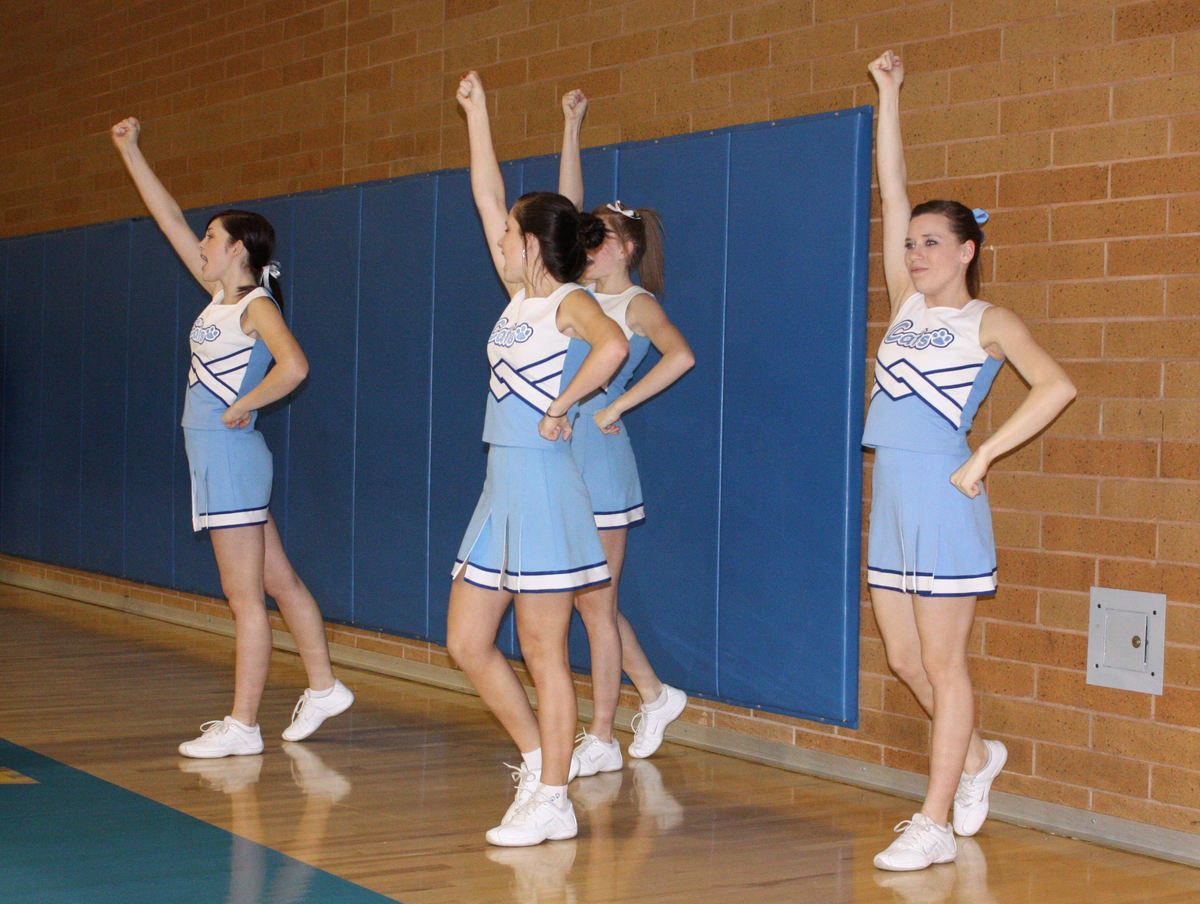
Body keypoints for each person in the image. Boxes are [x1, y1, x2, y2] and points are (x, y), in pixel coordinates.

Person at [864, 51, 1075, 871]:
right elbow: (890, 189)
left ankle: (935, 819)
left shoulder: (991, 321)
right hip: (892, 500)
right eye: (911, 242)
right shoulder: (905, 302)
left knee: (946, 664)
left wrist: (984, 453)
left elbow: (1055, 386)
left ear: (966, 251)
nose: (914, 252)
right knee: (906, 659)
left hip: (947, 500)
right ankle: (980, 757)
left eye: (929, 243)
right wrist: (889, 97)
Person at [111, 118, 354, 759]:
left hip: (231, 459)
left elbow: (295, 367)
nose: (201, 242)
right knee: (279, 582)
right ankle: (325, 685)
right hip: (221, 459)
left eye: (212, 237)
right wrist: (131, 150)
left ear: (240, 249)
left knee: (243, 597)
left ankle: (243, 724)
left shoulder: (256, 307)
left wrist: (243, 404)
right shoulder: (217, 298)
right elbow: (167, 220)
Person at [445, 72, 629, 847]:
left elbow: (613, 345)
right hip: (500, 487)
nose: (499, 235)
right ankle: (538, 762)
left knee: (543, 647)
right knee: (466, 641)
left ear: (532, 243)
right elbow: (488, 197)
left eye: (511, 231)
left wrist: (563, 405)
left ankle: (553, 796)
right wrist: (477, 113)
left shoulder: (566, 302)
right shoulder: (515, 297)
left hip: (548, 486)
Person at [557, 89, 695, 776]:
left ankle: (603, 734)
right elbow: (566, 208)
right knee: (588, 598)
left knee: (595, 603)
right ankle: (656, 692)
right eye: (587, 237)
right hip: (561, 454)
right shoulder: (574, 298)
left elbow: (682, 356)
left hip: (602, 457)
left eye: (603, 235)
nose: (590, 244)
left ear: (629, 246)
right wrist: (573, 125)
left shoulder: (635, 302)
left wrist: (617, 406)